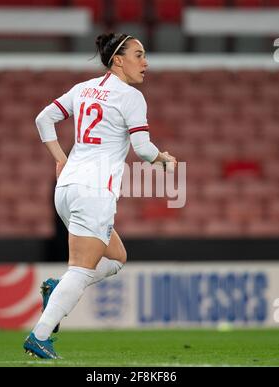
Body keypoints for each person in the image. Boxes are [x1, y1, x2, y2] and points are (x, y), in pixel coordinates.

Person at [23, 33, 177, 359]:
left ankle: (58, 287)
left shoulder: (83, 89)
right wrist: (164, 159)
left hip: (66, 189)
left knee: (116, 257)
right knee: (81, 269)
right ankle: (39, 336)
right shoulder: (131, 97)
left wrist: (60, 158)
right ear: (118, 60)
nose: (145, 62)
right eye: (139, 55)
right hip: (94, 191)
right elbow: (143, 149)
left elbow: (43, 118)